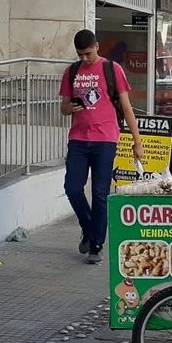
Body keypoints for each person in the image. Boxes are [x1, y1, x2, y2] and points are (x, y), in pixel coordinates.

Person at [59, 29, 144, 264]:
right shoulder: (72, 71)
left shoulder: (112, 69)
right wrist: (70, 108)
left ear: (97, 46)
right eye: (80, 54)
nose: (84, 58)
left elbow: (126, 107)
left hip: (105, 139)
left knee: (100, 193)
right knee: (72, 188)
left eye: (88, 53)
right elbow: (64, 107)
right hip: (78, 139)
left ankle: (96, 244)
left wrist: (137, 142)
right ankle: (88, 228)